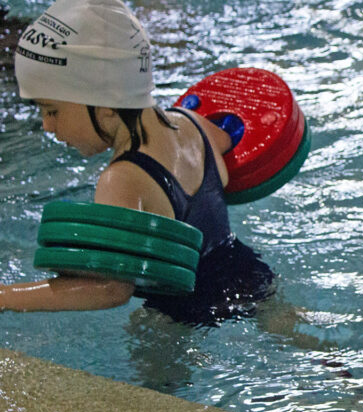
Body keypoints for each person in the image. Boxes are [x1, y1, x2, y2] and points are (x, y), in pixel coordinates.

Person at [0, 0, 274, 324]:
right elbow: (229, 175)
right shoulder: (192, 123)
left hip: (182, 310)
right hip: (246, 271)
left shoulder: (121, 178)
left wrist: (6, 296)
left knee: (147, 346)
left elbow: (110, 289)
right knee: (300, 339)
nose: (46, 126)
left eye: (52, 110)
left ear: (105, 103)